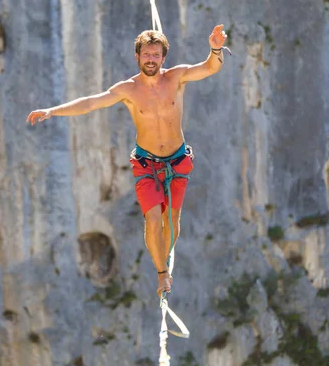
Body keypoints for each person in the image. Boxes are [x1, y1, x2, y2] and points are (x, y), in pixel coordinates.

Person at [26, 25, 228, 298]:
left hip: (178, 160)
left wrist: (215, 48)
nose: (151, 60)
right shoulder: (128, 89)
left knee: (172, 222)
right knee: (153, 219)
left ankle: (164, 259)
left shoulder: (177, 78)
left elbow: (210, 68)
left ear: (163, 58)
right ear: (137, 57)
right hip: (147, 164)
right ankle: (161, 273)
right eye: (146, 54)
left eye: (156, 55)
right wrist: (52, 111)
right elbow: (90, 103)